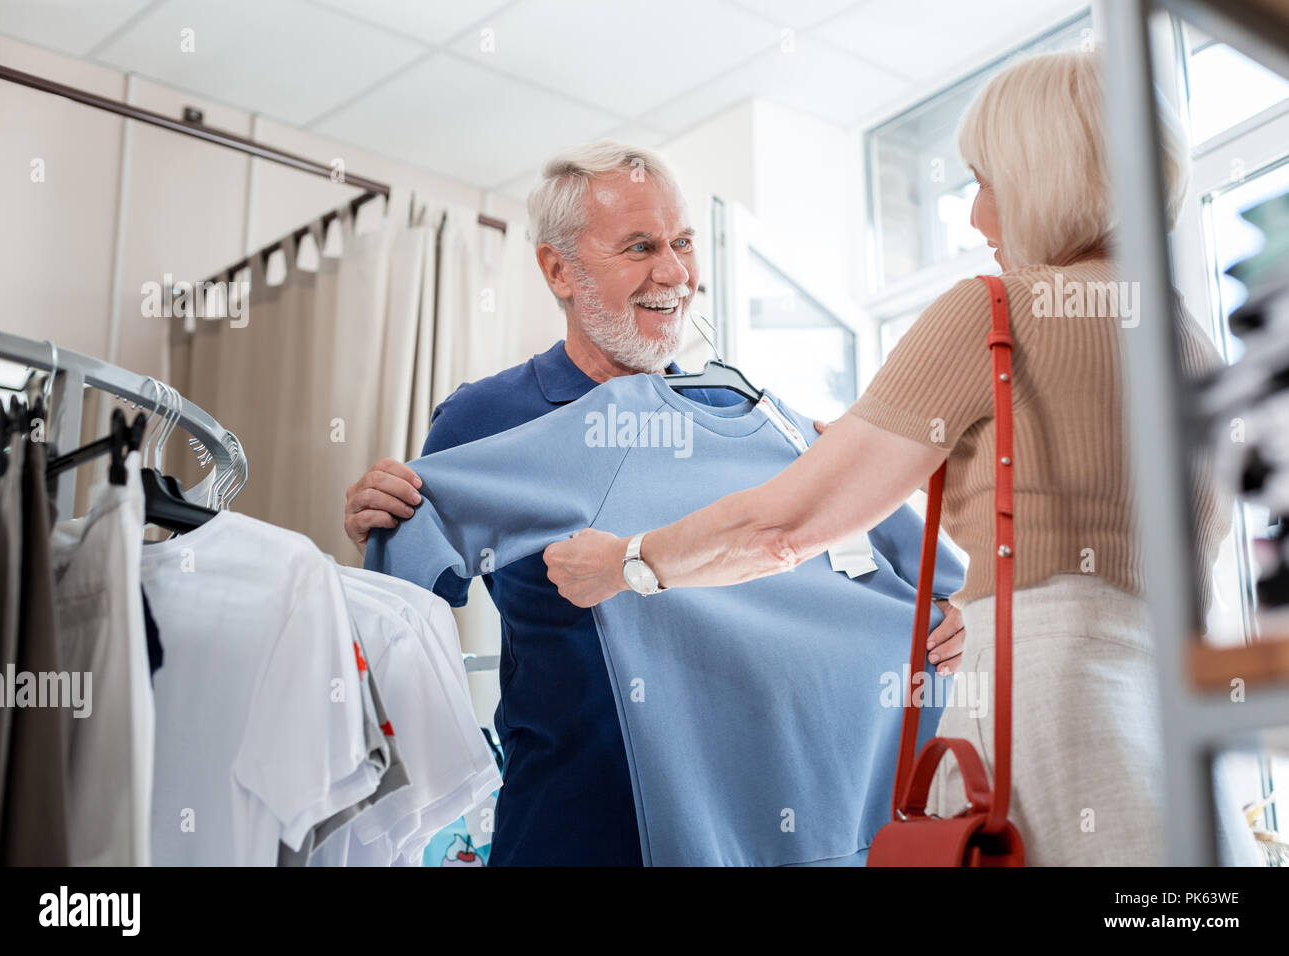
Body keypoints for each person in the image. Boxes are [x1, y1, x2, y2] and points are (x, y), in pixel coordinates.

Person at [543, 52, 1232, 866]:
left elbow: (781, 526)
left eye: (985, 180)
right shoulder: (1201, 354)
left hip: (1048, 723)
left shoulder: (996, 313)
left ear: (1044, 176)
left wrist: (629, 562)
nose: (977, 218)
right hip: (1182, 737)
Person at [344, 141, 968, 866]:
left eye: (682, 244)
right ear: (558, 270)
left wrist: (939, 621)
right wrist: (379, 522)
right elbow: (406, 602)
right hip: (571, 826)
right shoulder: (487, 418)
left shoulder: (771, 429)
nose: (673, 273)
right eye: (640, 247)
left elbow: (911, 580)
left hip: (770, 831)